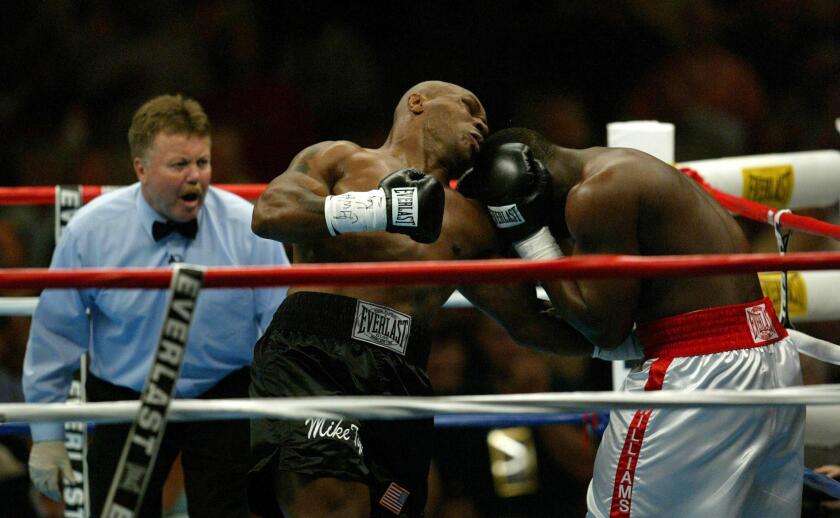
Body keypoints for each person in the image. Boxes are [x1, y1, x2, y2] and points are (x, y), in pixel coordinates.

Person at [247, 80, 596, 518]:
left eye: (485, 118)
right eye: (469, 107)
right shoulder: (340, 158)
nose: (481, 123)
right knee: (333, 504)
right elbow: (270, 213)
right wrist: (381, 208)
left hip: (401, 370)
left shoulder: (472, 221)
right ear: (417, 102)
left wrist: (632, 339)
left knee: (392, 508)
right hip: (314, 354)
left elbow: (529, 321)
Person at [462, 127, 804, 517]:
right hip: (768, 356)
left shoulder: (595, 195)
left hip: (700, 374)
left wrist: (530, 236)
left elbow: (603, 329)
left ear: (530, 189)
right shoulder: (619, 167)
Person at [23, 94, 290, 517]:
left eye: (202, 162)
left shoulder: (246, 226)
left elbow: (282, 327)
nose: (195, 176)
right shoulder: (91, 231)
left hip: (222, 392)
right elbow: (55, 334)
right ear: (141, 169)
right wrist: (47, 434)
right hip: (126, 394)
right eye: (179, 164)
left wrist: (288, 419)